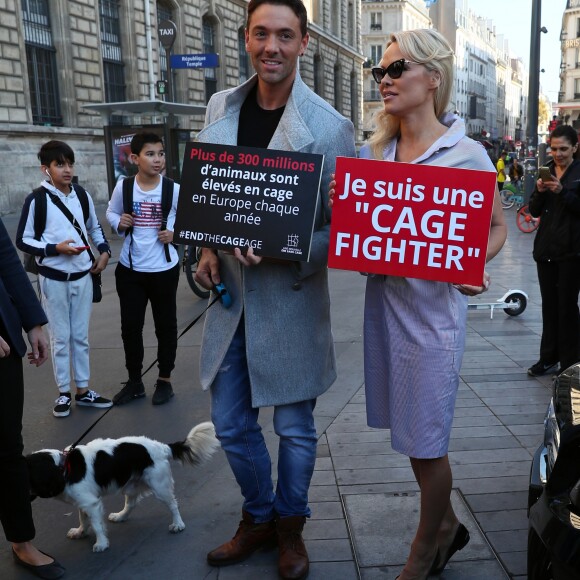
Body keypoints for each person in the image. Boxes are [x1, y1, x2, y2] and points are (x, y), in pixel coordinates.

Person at [194, 0, 355, 578]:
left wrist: (290, 247)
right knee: (232, 425)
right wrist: (206, 251)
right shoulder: (219, 107)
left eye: (284, 35)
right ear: (245, 39)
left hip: (289, 302)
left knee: (293, 428)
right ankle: (258, 515)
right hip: (232, 306)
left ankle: (291, 525)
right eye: (261, 34)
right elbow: (208, 200)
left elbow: (345, 231)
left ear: (303, 44)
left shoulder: (331, 127)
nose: (272, 47)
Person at [350, 29, 506, 579]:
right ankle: (446, 526)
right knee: (411, 438)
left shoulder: (467, 154)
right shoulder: (375, 151)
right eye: (380, 72)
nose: (385, 80)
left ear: (433, 78)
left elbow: (495, 227)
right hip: (384, 308)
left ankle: (425, 548)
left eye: (397, 70)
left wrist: (476, 266)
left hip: (433, 317)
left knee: (427, 440)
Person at [16, 140, 112, 418]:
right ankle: (63, 393)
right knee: (60, 337)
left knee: (80, 336)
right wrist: (54, 249)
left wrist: (104, 252)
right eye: (60, 164)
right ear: (45, 169)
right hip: (53, 278)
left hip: (83, 275)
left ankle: (83, 390)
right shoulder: (36, 200)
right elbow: (23, 239)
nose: (67, 169)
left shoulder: (81, 195)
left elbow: (95, 228)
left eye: (70, 164)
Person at [0, 216, 65, 578]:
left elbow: (5, 257)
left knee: (8, 446)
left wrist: (33, 322)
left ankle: (21, 541)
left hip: (5, 340)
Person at [106, 132, 180, 406]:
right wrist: (120, 222)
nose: (158, 159)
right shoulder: (124, 187)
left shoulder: (173, 188)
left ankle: (165, 380)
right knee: (131, 327)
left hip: (164, 267)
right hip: (130, 269)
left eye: (160, 153)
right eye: (150, 154)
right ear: (135, 158)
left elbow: (191, 220)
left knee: (166, 326)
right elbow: (111, 213)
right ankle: (135, 381)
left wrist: (175, 232)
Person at [527, 124, 580, 376]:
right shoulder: (545, 170)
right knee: (549, 306)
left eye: (563, 149)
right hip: (546, 250)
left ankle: (570, 361)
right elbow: (534, 211)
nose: (558, 153)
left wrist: (563, 192)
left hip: (572, 251)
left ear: (575, 148)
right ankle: (548, 357)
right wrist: (538, 192)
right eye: (554, 148)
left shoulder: (578, 173)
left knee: (567, 307)